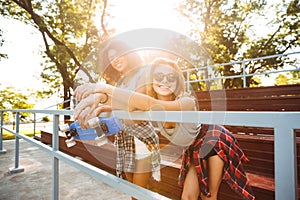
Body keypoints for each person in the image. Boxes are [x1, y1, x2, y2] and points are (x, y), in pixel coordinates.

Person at [74, 57, 255, 200]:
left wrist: (103, 87)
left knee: (208, 195)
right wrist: (100, 101)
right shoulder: (151, 102)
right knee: (188, 197)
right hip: (193, 148)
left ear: (178, 81)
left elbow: (150, 103)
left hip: (213, 139)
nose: (165, 81)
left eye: (171, 77)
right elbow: (127, 105)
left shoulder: (186, 100)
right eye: (159, 77)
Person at [75, 39, 161, 200]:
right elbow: (119, 106)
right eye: (111, 58)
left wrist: (103, 93)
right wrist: (99, 108)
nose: (115, 60)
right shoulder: (121, 81)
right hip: (125, 135)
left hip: (141, 136)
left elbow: (135, 104)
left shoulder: (144, 72)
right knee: (130, 186)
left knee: (137, 191)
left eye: (118, 55)